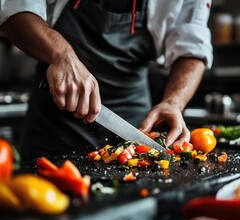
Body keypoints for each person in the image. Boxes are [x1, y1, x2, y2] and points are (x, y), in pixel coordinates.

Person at [0, 0, 213, 160]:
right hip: (53, 129)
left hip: (135, 124)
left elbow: (191, 45)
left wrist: (174, 101)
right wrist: (61, 55)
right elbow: (13, 6)